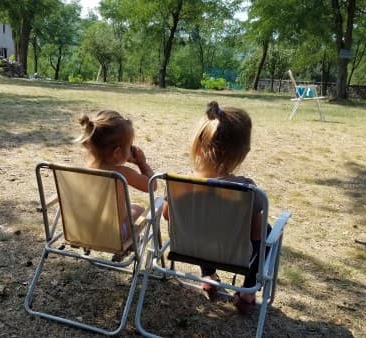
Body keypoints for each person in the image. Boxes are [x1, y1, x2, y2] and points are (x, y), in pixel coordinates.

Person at [163, 101, 268, 314]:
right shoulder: (247, 190)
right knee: (268, 232)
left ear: (198, 146)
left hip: (193, 248)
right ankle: (247, 290)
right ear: (241, 152)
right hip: (231, 253)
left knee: (202, 224)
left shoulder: (179, 185)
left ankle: (208, 275)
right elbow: (257, 237)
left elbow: (167, 215)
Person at [74, 109, 155, 243]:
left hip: (83, 231)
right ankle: (136, 244)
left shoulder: (81, 172)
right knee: (139, 209)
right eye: (129, 146)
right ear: (117, 153)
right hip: (112, 237)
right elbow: (151, 185)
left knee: (130, 207)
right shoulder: (121, 174)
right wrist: (142, 163)